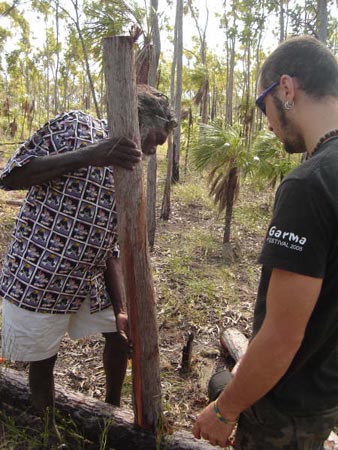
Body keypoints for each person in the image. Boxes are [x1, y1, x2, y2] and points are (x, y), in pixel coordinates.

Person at [193, 35, 338, 449]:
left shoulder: (309, 185)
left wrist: (225, 410)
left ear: (287, 89)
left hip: (287, 403)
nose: (267, 121)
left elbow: (281, 336)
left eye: (263, 104)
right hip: (326, 393)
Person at [0, 84, 176, 413]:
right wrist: (92, 154)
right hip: (43, 268)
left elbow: (110, 246)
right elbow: (12, 176)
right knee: (43, 356)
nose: (152, 151)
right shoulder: (74, 125)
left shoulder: (130, 170)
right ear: (136, 121)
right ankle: (46, 429)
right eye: (154, 140)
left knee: (118, 333)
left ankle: (110, 411)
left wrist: (121, 307)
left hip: (91, 275)